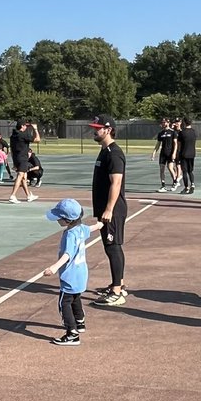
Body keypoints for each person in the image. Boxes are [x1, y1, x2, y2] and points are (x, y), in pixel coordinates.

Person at [42, 198, 102, 345]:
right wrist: (100, 224)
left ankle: (72, 333)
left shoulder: (70, 234)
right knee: (75, 297)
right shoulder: (81, 228)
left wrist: (54, 267)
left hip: (70, 275)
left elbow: (67, 254)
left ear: (67, 220)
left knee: (64, 303)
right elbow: (90, 229)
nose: (57, 220)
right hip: (81, 273)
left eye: (59, 218)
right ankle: (80, 322)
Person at [89, 115, 128, 306]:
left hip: (112, 210)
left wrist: (109, 209)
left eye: (98, 128)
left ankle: (117, 292)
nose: (95, 131)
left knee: (113, 247)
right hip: (104, 208)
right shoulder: (104, 151)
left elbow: (116, 183)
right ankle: (118, 283)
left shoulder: (114, 153)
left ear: (108, 130)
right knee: (109, 246)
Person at [8, 119, 40, 203]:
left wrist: (14, 163)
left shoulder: (13, 136)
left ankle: (29, 196)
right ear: (22, 126)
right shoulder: (23, 135)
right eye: (25, 125)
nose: (26, 126)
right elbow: (38, 139)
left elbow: (12, 149)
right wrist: (35, 129)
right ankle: (13, 195)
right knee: (20, 176)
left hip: (16, 158)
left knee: (24, 178)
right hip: (22, 158)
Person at [151, 118, 178, 192]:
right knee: (161, 169)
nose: (163, 124)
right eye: (162, 122)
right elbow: (158, 144)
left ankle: (175, 182)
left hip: (170, 153)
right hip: (163, 153)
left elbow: (175, 144)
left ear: (168, 123)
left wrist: (174, 153)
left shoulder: (173, 132)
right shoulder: (161, 133)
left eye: (164, 122)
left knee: (170, 168)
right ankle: (163, 186)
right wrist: (154, 153)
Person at [176, 118, 197, 194]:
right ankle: (192, 184)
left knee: (184, 171)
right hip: (192, 154)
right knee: (190, 171)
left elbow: (179, 144)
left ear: (184, 123)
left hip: (184, 153)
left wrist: (177, 154)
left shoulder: (182, 132)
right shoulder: (193, 132)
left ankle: (186, 187)